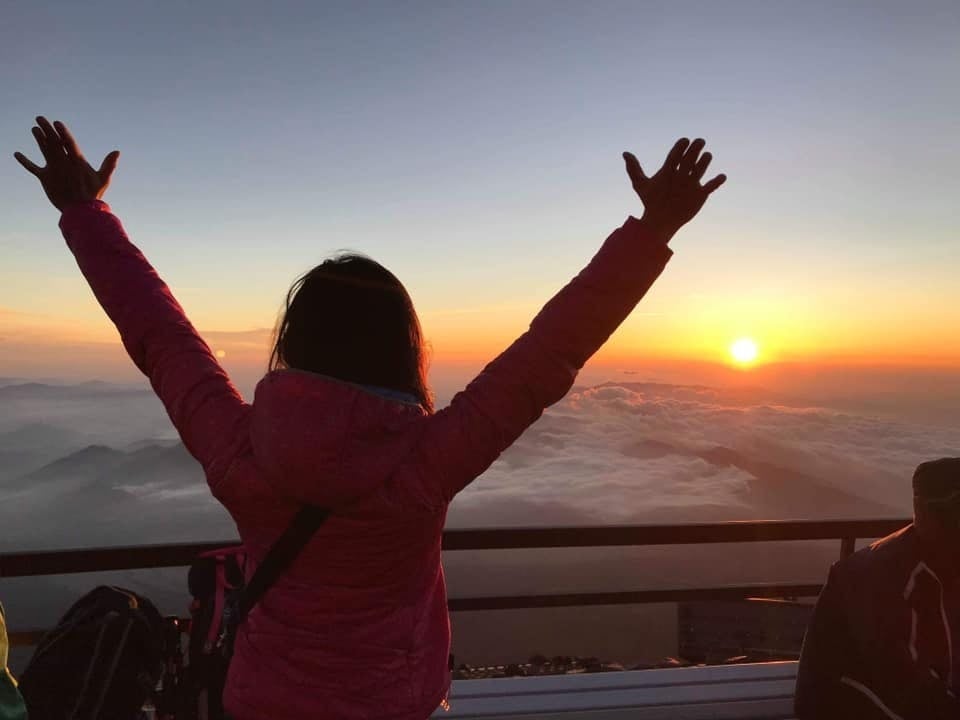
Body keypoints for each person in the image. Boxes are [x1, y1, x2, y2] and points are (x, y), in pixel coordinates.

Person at [15, 117, 726, 720]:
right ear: (402, 348)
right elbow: (550, 353)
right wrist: (652, 231)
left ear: (293, 342)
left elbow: (160, 336)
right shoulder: (428, 463)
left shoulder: (238, 453)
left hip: (260, 700)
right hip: (395, 703)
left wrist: (84, 212)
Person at [795, 457, 960, 719]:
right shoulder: (885, 577)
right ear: (932, 516)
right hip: (847, 706)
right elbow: (907, 688)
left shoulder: (941, 559)